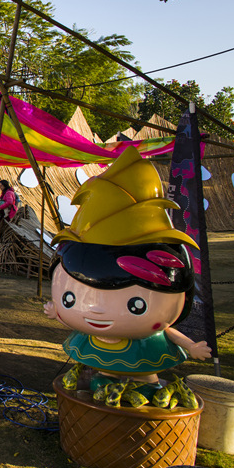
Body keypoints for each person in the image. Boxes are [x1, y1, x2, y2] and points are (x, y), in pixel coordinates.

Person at [43, 147, 211, 407]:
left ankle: (146, 389)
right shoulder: (76, 258)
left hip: (144, 355)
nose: (97, 310)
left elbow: (169, 330)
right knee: (99, 381)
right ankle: (104, 385)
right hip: (100, 357)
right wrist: (58, 310)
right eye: (69, 297)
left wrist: (191, 346)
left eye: (137, 304)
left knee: (147, 383)